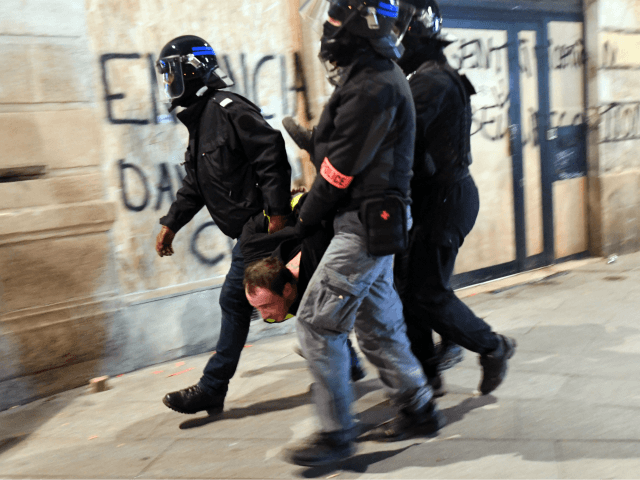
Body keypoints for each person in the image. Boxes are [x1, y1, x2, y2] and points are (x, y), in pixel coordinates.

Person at [281, 0, 445, 467]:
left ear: (356, 24)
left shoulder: (374, 81)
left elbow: (341, 168)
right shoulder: (372, 74)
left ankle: (335, 435)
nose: (328, 27)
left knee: (316, 322)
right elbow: (355, 146)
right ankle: (418, 409)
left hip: (366, 222)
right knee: (376, 326)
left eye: (334, 17)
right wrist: (314, 140)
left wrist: (304, 218)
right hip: (374, 218)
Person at [154, 35, 293, 415]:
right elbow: (196, 184)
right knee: (303, 291)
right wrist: (171, 224)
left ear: (189, 70)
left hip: (258, 226)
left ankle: (213, 387)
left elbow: (272, 151)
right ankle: (347, 359)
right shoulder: (201, 120)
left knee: (234, 300)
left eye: (170, 73)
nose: (167, 82)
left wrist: (277, 212)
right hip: (249, 228)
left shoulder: (229, 108)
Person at [394, 0, 516, 396]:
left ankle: (493, 346)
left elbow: (401, 140)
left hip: (445, 201)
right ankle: (427, 376)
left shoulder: (428, 82)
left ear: (411, 35)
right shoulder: (432, 75)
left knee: (427, 293)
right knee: (412, 292)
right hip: (441, 199)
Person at [240, 192, 366, 382]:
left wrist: (300, 209)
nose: (264, 317)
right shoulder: (277, 277)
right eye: (258, 308)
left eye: (266, 306)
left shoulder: (315, 255)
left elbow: (314, 203)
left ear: (287, 290)